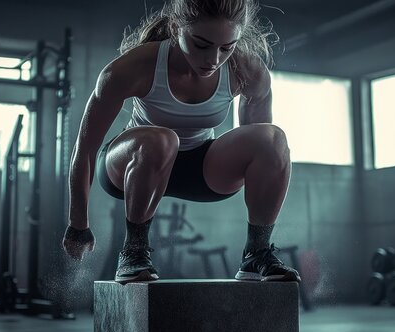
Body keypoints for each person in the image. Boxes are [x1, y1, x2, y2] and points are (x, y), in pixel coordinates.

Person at [62, 0, 301, 285]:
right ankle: (133, 250)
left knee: (272, 138)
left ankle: (256, 254)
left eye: (227, 48)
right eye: (201, 44)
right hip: (132, 166)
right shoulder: (135, 66)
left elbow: (260, 154)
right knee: (161, 138)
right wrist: (78, 223)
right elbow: (85, 150)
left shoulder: (246, 70)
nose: (214, 59)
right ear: (176, 28)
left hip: (200, 169)